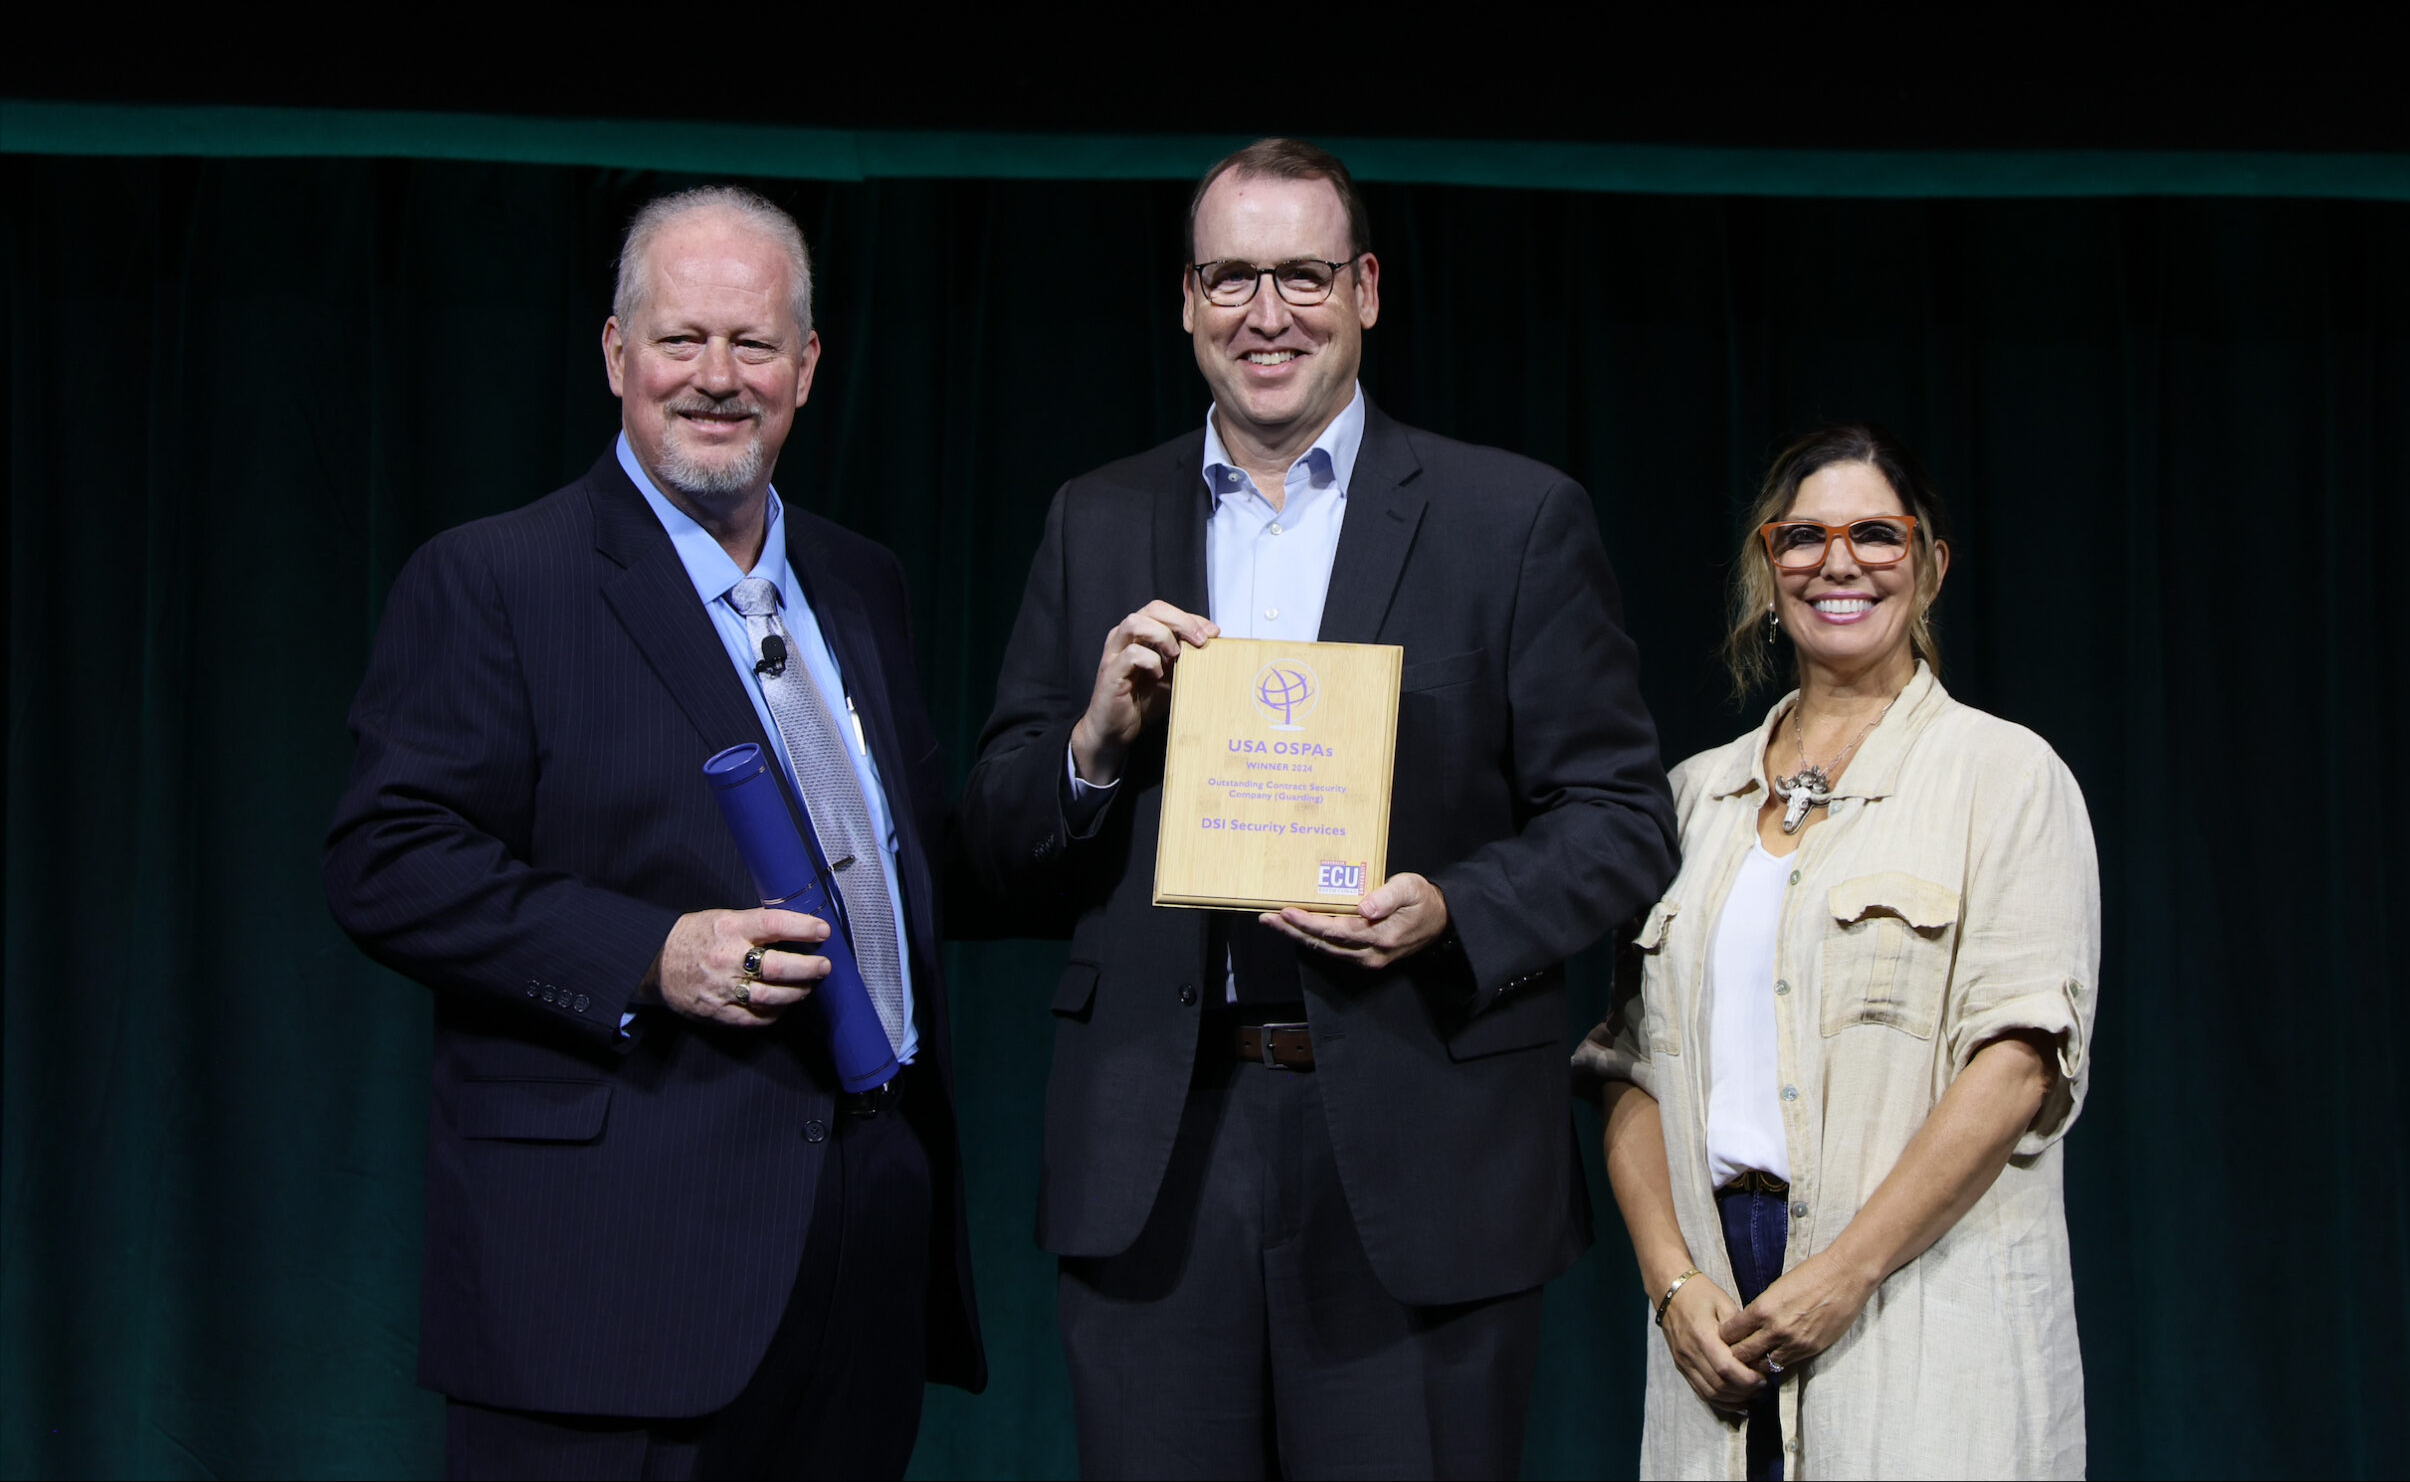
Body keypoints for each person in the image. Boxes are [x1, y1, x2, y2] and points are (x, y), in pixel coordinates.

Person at [961, 137, 1678, 1480]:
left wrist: (1455, 907)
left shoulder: (1510, 517)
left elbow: (1621, 817)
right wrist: (1095, 742)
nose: (1266, 312)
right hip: (1157, 1158)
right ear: (1185, 300)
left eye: (1302, 274)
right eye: (1232, 277)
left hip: (1416, 1149)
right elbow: (996, 843)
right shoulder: (1097, 518)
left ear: (1365, 289)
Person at [325, 186, 983, 1480]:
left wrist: (1093, 762)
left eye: (752, 344)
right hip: (602, 1280)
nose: (716, 377)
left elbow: (915, 863)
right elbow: (386, 856)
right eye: (682, 340)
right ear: (617, 353)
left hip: (854, 1263)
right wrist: (652, 951)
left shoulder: (862, 581)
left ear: (806, 366)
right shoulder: (497, 578)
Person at [1580, 422, 2099, 1479]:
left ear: (1930, 563)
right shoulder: (1689, 800)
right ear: (1768, 571)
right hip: (1717, 1310)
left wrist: (1841, 1276)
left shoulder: (2004, 777)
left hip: (1913, 1294)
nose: (1838, 562)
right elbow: (1630, 1070)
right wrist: (1673, 1285)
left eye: (1876, 533)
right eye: (1802, 538)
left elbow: (2013, 1068)